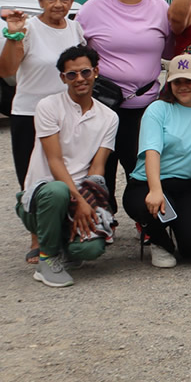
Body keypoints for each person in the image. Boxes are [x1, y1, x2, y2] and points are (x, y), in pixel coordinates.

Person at [76, 0, 171, 209]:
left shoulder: (160, 8)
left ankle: (145, 220)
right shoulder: (93, 7)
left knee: (140, 165)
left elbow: (173, 48)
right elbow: (76, 52)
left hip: (145, 107)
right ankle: (104, 219)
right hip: (102, 105)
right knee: (100, 165)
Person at [16, 45, 118, 287]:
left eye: (85, 72)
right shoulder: (48, 107)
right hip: (44, 196)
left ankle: (64, 246)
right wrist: (79, 201)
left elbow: (98, 167)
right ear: (63, 78)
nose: (79, 79)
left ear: (96, 71)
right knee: (57, 191)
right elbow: (54, 161)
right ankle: (47, 258)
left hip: (80, 195)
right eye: (71, 74)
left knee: (92, 249)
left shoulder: (109, 117)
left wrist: (91, 203)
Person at [1, 0, 86, 263]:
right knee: (32, 175)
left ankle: (64, 230)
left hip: (66, 114)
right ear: (40, 1)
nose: (58, 4)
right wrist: (13, 35)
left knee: (64, 172)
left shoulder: (76, 28)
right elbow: (7, 70)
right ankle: (37, 238)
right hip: (30, 114)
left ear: (71, 1)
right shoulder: (27, 28)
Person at [122, 54, 191, 268]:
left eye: (189, 81)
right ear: (169, 84)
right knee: (150, 207)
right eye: (177, 81)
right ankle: (160, 242)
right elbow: (152, 151)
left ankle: (181, 232)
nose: (183, 86)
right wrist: (155, 189)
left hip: (187, 185)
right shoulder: (157, 109)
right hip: (148, 182)